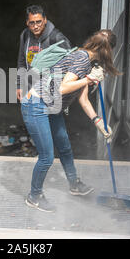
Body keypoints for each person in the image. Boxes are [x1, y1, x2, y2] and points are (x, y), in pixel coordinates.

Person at [21, 29, 119, 213]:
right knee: (46, 157)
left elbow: (83, 99)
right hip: (36, 104)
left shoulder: (89, 62)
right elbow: (63, 88)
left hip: (51, 107)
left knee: (65, 146)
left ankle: (74, 184)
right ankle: (34, 196)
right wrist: (88, 79)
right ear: (108, 50)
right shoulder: (81, 59)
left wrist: (98, 122)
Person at [17, 5, 72, 101]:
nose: (35, 26)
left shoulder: (56, 37)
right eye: (32, 23)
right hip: (29, 88)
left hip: (49, 92)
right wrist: (20, 85)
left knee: (53, 116)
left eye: (38, 22)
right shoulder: (25, 35)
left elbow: (70, 63)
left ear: (45, 20)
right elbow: (21, 62)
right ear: (27, 23)